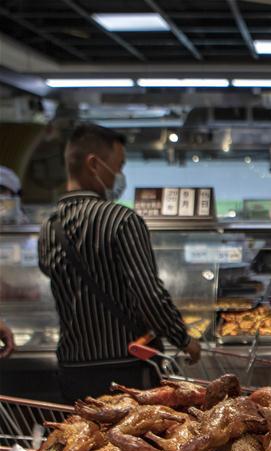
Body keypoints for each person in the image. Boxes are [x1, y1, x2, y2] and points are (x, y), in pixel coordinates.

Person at [38, 123, 201, 403]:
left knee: (83, 432)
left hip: (73, 369)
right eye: (118, 165)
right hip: (126, 367)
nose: (119, 175)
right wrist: (183, 339)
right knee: (134, 432)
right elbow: (148, 294)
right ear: (94, 164)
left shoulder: (49, 227)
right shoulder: (122, 220)